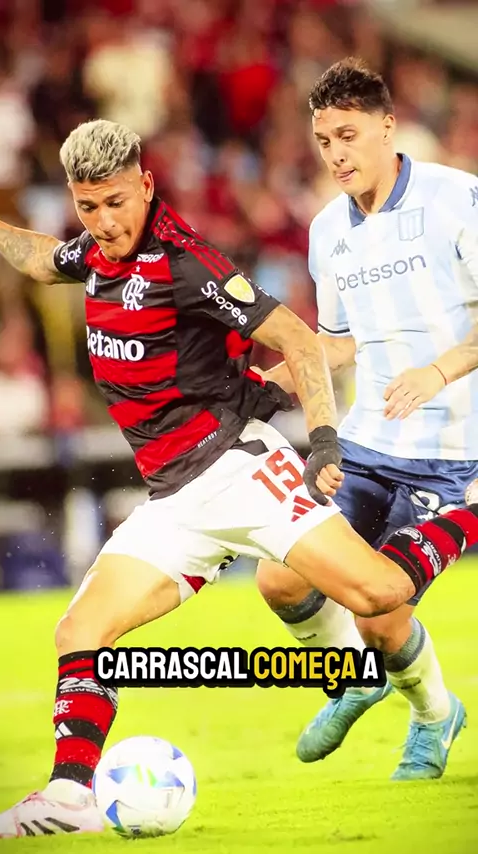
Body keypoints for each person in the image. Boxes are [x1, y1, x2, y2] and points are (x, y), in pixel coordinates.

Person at [0, 119, 478, 837]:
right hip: (174, 499)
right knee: (80, 630)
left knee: (380, 594)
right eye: (88, 206)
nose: (104, 222)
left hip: (238, 468)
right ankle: (70, 796)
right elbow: (42, 260)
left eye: (117, 203)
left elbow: (299, 341)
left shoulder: (187, 264)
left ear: (146, 186)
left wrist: (322, 441)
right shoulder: (95, 253)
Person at [255, 57, 478, 781]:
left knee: (380, 612)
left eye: (348, 136)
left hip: (453, 458)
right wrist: (268, 384)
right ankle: (355, 676)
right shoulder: (327, 230)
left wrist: (438, 371)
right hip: (364, 443)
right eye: (324, 141)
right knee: (280, 578)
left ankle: (434, 717)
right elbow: (339, 343)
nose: (336, 155)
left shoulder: (456, 199)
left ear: (388, 127)